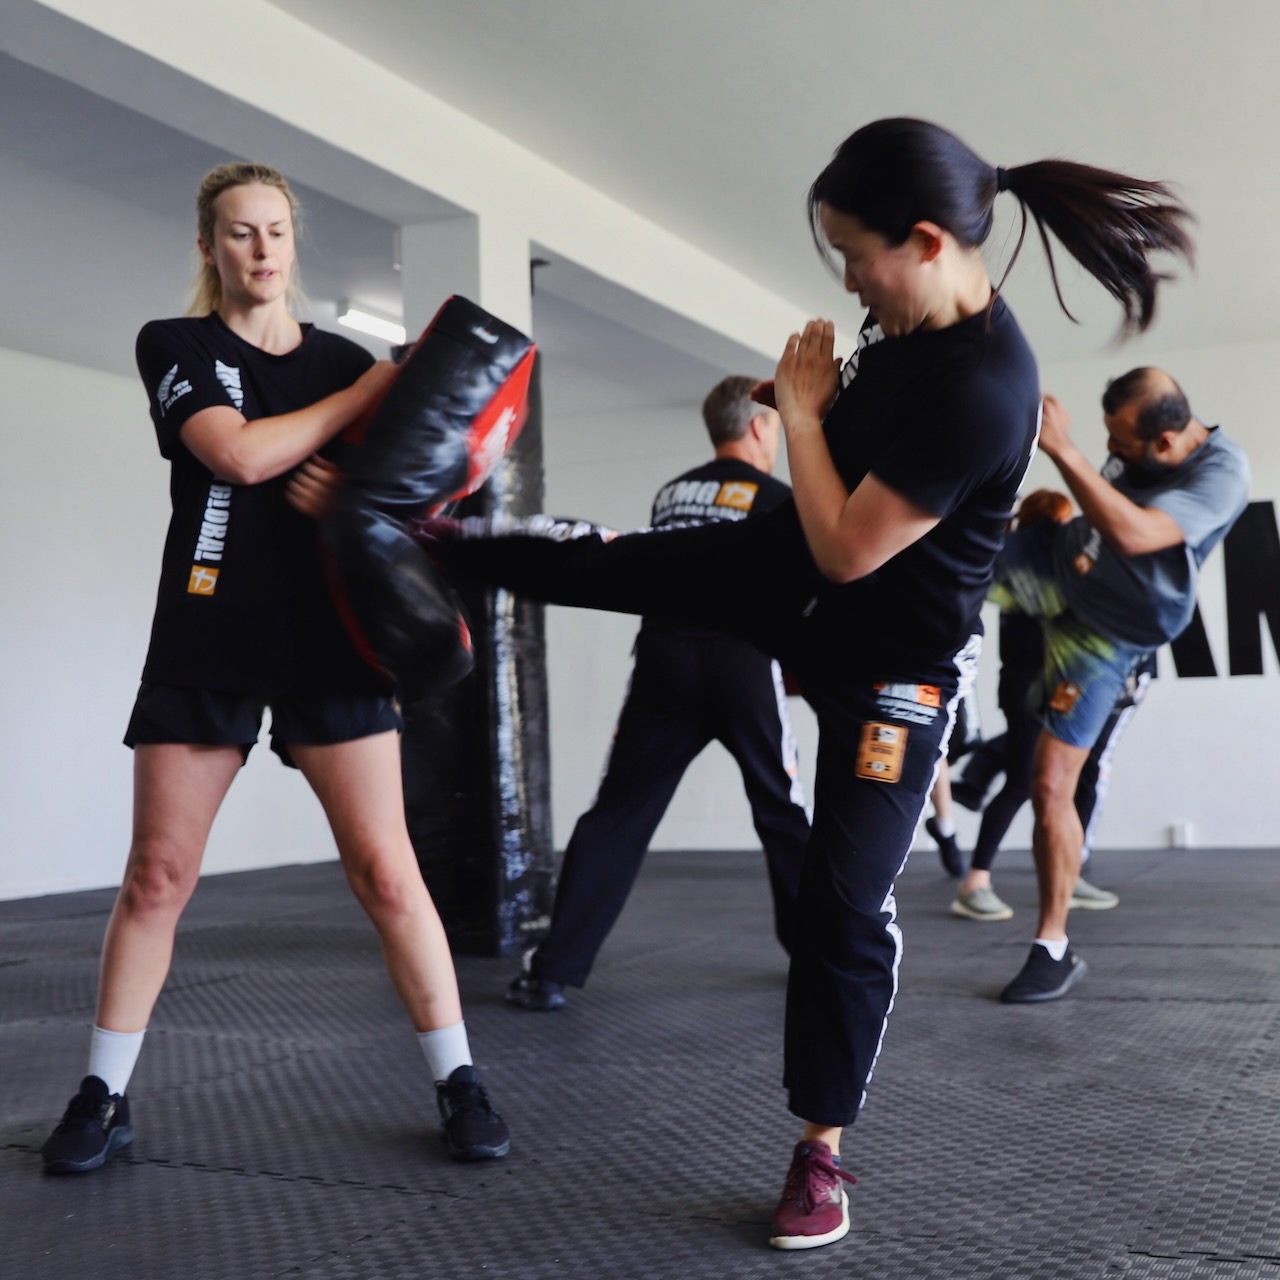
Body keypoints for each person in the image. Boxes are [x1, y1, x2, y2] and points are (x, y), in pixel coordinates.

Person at [421, 118, 1193, 1249]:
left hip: (892, 669)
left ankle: (817, 1153)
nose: (844, 280)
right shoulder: (900, 327)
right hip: (796, 586)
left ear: (924, 239)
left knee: (840, 899)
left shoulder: (986, 386)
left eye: (852, 254)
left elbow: (845, 548)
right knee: (617, 561)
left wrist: (794, 411)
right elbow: (829, 514)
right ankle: (428, 538)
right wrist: (822, 410)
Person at [38, 163, 509, 1175]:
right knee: (157, 874)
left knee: (387, 870)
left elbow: (401, 505)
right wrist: (366, 394)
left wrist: (349, 499)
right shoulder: (179, 345)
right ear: (209, 248)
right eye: (239, 233)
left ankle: (459, 1077)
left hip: (330, 637)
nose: (260, 250)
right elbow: (239, 456)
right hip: (209, 633)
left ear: (294, 244)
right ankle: (101, 1092)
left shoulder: (336, 356)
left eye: (276, 232)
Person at [508, 377, 811, 1011]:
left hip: (664, 661)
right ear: (758, 427)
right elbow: (795, 590)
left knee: (617, 812)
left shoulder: (670, 493)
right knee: (782, 813)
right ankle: (815, 959)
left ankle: (552, 972)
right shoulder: (781, 498)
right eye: (776, 430)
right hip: (741, 662)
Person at [994, 369, 1249, 1002]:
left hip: (1109, 635)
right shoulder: (1139, 444)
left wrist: (1063, 448)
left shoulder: (1222, 474)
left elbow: (1136, 533)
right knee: (945, 558)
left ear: (1164, 444)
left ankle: (1052, 947)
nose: (1110, 452)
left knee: (1051, 781)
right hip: (1064, 564)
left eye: (1121, 444)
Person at [952, 488, 1138, 921]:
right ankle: (974, 882)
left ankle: (1065, 878)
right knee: (1021, 782)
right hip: (1027, 688)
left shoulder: (1035, 566)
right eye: (1063, 520)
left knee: (1059, 779)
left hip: (1046, 686)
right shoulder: (1025, 568)